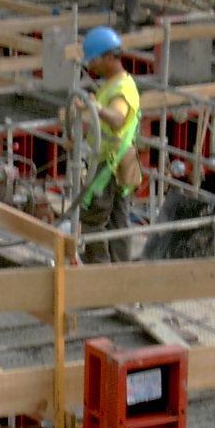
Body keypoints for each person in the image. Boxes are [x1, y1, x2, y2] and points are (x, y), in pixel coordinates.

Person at [78, 27, 142, 264]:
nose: (90, 65)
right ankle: (119, 275)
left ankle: (100, 275)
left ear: (108, 57)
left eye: (93, 59)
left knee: (94, 220)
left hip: (110, 166)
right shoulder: (113, 83)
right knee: (118, 220)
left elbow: (116, 119)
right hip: (118, 162)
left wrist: (95, 107)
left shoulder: (122, 89)